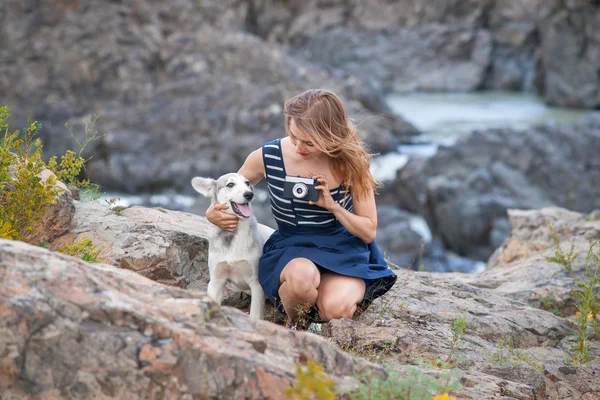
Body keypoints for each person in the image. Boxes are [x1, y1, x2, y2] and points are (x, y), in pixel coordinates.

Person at [206, 89, 397, 327]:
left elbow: (369, 231)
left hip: (342, 249)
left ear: (331, 136)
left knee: (336, 309)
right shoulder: (268, 156)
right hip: (292, 247)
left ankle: (322, 304)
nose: (298, 148)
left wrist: (333, 206)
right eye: (294, 136)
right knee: (300, 279)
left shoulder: (351, 163)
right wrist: (213, 212)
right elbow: (231, 191)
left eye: (309, 143)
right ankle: (297, 326)